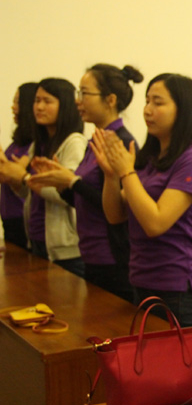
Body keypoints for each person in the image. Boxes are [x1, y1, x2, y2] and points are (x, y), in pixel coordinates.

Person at [93, 73, 192, 328]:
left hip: (178, 289)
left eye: (158, 103)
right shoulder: (152, 158)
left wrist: (126, 173)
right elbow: (116, 215)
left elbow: (156, 223)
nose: (147, 110)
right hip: (142, 280)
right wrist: (110, 176)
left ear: (183, 110)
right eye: (147, 101)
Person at [28, 64, 142, 301]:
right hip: (91, 253)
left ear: (110, 100)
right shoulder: (95, 141)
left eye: (84, 93)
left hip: (112, 256)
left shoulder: (120, 142)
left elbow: (118, 208)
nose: (78, 101)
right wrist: (61, 183)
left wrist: (72, 181)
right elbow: (83, 201)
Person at [0, 78, 87, 275]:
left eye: (47, 101)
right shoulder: (39, 143)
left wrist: (24, 177)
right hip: (37, 238)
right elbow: (27, 192)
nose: (39, 107)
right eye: (37, 101)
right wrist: (12, 177)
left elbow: (68, 194)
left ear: (65, 105)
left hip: (65, 249)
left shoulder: (73, 142)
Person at [0, 82, 37, 250]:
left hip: (22, 216)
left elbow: (9, 173)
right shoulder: (16, 143)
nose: (13, 107)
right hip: (9, 215)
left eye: (17, 102)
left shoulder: (34, 144)